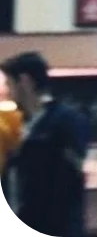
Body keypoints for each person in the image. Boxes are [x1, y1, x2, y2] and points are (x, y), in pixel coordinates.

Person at [0, 51, 89, 236]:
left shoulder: (66, 121)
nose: (7, 92)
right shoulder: (17, 127)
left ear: (24, 81)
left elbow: (69, 181)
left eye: (9, 84)